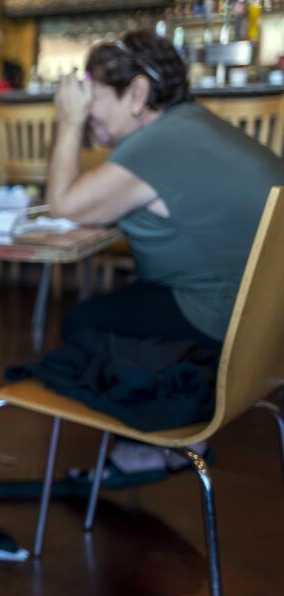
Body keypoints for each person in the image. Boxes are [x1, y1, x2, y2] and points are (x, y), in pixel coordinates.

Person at [46, 29, 284, 477]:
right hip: (266, 331)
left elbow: (65, 206)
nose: (84, 107)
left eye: (92, 96)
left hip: (223, 322)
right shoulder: (192, 126)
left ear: (137, 93)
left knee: (82, 322)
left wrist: (69, 123)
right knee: (131, 301)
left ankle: (161, 442)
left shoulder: (159, 145)